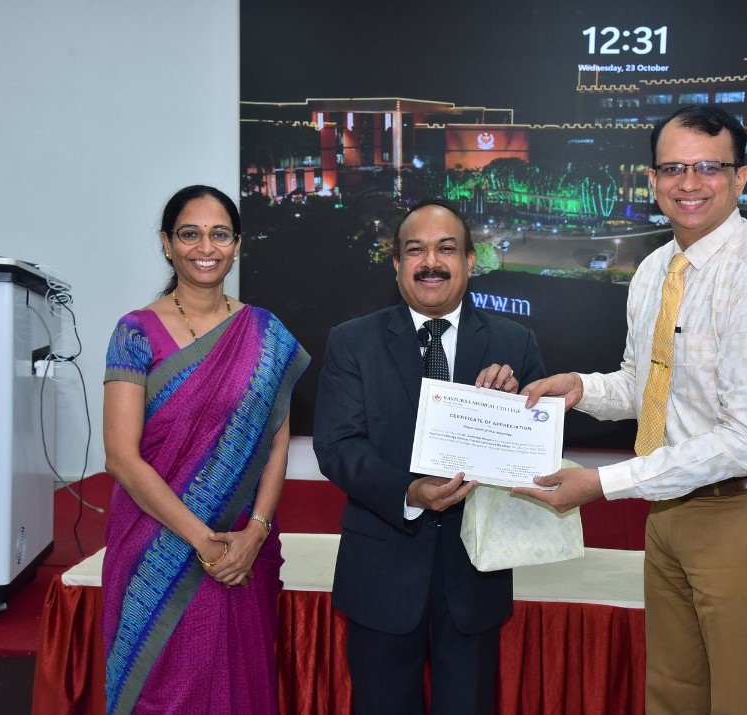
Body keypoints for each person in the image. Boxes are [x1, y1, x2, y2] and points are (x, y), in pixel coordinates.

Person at [517, 105, 747, 715]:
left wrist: (602, 484)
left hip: (743, 511)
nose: (689, 183)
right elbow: (645, 385)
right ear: (652, 179)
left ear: (740, 178)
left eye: (709, 167)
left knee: (742, 701)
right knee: (673, 693)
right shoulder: (657, 268)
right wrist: (579, 389)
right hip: (671, 504)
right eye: (674, 168)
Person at [313, 199, 546, 715]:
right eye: (415, 250)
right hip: (381, 573)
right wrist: (409, 492)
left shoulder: (515, 344)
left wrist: (514, 413)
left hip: (475, 577)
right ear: (397, 264)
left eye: (446, 248)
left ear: (470, 260)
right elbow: (337, 446)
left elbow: (538, 453)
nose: (431, 262)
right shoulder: (353, 342)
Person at [101, 185, 309, 715]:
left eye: (219, 234)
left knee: (240, 687)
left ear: (237, 244)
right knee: (161, 691)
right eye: (190, 234)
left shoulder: (266, 334)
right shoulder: (134, 333)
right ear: (166, 243)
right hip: (156, 543)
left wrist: (254, 534)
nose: (205, 248)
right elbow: (121, 457)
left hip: (244, 548)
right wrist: (205, 543)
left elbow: (277, 441)